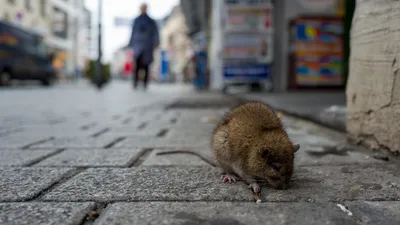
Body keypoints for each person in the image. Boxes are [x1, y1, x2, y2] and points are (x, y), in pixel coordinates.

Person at [128, 3, 159, 90]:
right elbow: (133, 32)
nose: (143, 9)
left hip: (147, 45)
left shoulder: (151, 21)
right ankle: (135, 83)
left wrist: (156, 42)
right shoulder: (136, 20)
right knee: (137, 64)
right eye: (142, 8)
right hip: (138, 45)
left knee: (146, 65)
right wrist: (131, 44)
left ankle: (145, 84)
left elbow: (155, 33)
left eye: (145, 8)